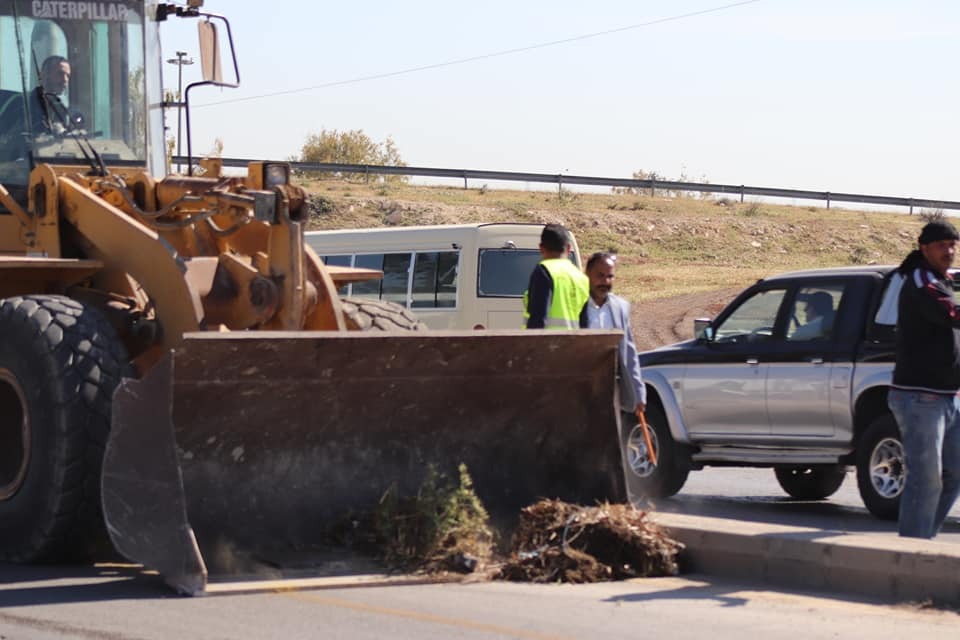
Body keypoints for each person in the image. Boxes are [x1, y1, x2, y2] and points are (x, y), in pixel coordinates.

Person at [887, 219, 960, 539]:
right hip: (919, 396)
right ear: (924, 247)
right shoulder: (921, 280)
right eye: (943, 244)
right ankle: (910, 555)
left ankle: (923, 542)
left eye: (953, 244)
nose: (950, 250)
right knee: (925, 479)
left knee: (954, 473)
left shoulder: (942, 279)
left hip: (947, 395)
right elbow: (951, 314)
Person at [579, 252, 646, 420]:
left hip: (612, 389)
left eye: (610, 276)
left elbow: (629, 351)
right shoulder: (577, 305)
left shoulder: (620, 307)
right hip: (581, 388)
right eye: (600, 276)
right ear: (587, 274)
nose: (605, 282)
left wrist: (638, 391)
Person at [523, 223, 588, 329]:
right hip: (574, 344)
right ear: (568, 248)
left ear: (541, 248)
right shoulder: (581, 278)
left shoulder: (544, 271)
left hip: (547, 344)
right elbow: (585, 323)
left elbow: (538, 318)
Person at [31, 55, 72, 134]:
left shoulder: (61, 109)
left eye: (68, 76)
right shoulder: (25, 103)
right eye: (60, 73)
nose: (65, 79)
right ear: (44, 74)